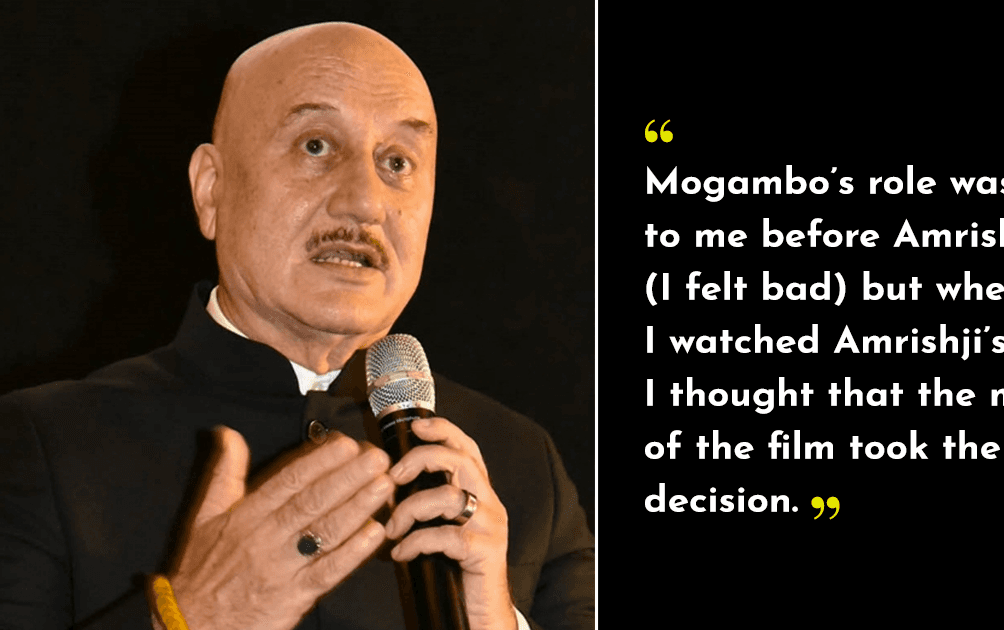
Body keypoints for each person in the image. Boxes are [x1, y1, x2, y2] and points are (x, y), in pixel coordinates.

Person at [0, 22, 594, 630]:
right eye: (316, 146)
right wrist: (190, 618)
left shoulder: (522, 468)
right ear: (211, 190)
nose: (365, 202)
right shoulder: (42, 445)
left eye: (397, 162)